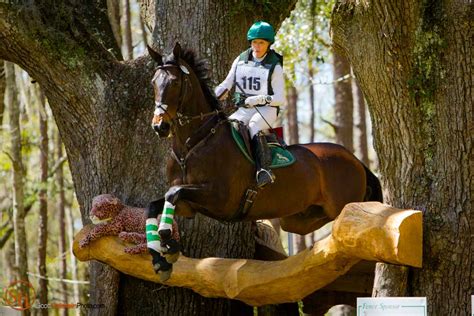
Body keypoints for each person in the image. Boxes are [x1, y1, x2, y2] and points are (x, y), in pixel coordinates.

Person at [214, 21, 285, 188]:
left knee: (253, 126)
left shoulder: (275, 65)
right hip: (245, 109)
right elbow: (227, 82)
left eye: (261, 42)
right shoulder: (241, 59)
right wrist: (216, 93)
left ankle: (264, 170)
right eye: (254, 42)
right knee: (226, 127)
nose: (257, 46)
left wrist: (259, 99)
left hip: (267, 109)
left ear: (269, 44)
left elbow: (280, 98)